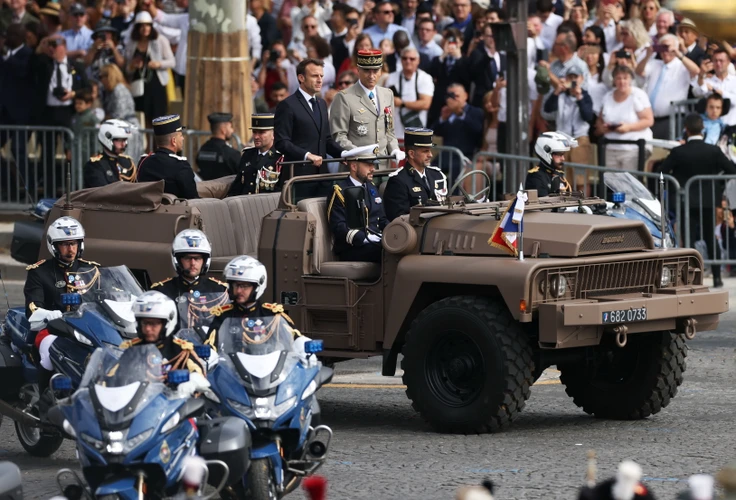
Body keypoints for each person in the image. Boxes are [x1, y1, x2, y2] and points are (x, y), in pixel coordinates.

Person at [658, 113, 736, 288]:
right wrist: (718, 184)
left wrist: (674, 184)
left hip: (685, 200)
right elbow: (732, 169)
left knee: (689, 238)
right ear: (703, 129)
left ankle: (691, 278)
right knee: (711, 237)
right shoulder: (714, 151)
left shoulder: (678, 151)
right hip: (708, 200)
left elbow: (662, 171)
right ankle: (717, 277)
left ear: (686, 129)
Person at [23, 216, 99, 392]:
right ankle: (44, 398)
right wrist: (48, 314)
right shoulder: (40, 272)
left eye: (74, 243)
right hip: (51, 329)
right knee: (50, 350)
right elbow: (32, 307)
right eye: (64, 244)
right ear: (53, 246)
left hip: (86, 329)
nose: (70, 249)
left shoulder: (91, 270)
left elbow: (106, 297)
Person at [274, 58, 347, 197]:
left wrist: (343, 154)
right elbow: (281, 142)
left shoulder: (321, 104)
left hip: (323, 178)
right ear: (301, 78)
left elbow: (326, 139)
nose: (320, 80)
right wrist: (307, 156)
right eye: (315, 76)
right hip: (299, 178)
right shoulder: (288, 105)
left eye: (321, 76)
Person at [330, 48, 404, 168]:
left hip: (383, 165)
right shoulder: (344, 97)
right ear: (358, 70)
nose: (371, 76)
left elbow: (389, 131)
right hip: (357, 167)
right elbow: (338, 136)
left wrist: (395, 149)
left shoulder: (387, 94)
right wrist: (359, 154)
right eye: (366, 71)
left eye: (375, 71)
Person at [120, 291, 207, 376]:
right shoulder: (132, 349)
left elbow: (200, 379)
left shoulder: (182, 351)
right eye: (144, 323)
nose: (148, 328)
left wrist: (192, 383)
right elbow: (113, 378)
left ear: (167, 323)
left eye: (154, 323)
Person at [327, 156, 386, 263]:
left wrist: (393, 232)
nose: (373, 169)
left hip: (374, 241)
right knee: (387, 251)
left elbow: (381, 219)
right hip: (352, 247)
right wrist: (364, 238)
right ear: (354, 167)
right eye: (368, 165)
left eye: (373, 165)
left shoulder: (371, 187)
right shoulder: (340, 191)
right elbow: (338, 226)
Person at [383, 128, 448, 222]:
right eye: (425, 151)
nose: (430, 155)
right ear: (411, 154)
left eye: (430, 151)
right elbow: (398, 219)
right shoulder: (399, 180)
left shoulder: (437, 175)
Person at [151, 229, 228, 301]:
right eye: (187, 258)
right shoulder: (161, 291)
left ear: (204, 261)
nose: (193, 263)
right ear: (178, 260)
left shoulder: (219, 290)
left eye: (197, 258)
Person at [137, 114, 199, 199]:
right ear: (173, 141)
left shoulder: (144, 162)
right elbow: (193, 198)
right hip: (178, 211)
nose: (183, 138)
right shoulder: (180, 166)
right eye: (181, 135)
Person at [228, 113, 283, 196]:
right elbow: (237, 186)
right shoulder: (247, 155)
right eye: (254, 132)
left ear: (274, 134)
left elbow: (281, 192)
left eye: (261, 132)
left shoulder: (280, 158)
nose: (256, 137)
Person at [83, 119, 136, 188]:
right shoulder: (94, 165)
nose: (123, 144)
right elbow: (101, 192)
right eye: (119, 140)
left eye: (125, 140)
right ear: (107, 139)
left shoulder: (127, 162)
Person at [525, 131, 574, 197]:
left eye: (563, 154)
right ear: (547, 152)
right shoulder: (535, 176)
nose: (563, 158)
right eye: (559, 154)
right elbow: (544, 203)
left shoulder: (559, 174)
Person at [195, 112, 241, 181]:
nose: (232, 130)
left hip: (205, 190)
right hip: (225, 191)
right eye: (230, 127)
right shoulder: (231, 154)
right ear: (223, 130)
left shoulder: (202, 150)